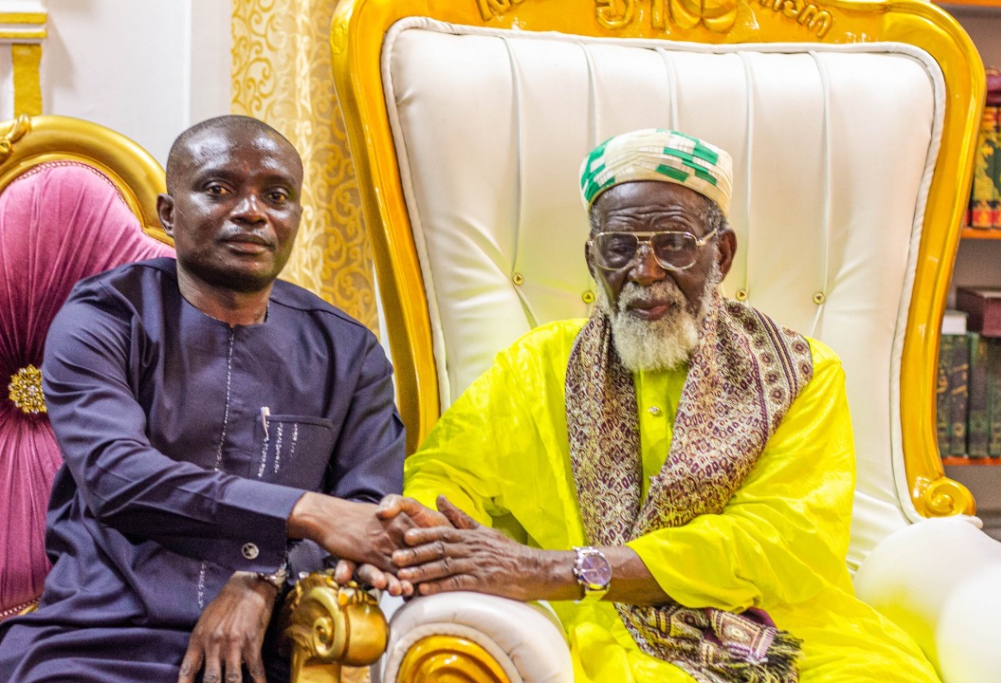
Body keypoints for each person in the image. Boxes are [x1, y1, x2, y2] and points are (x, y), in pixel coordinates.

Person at [382, 129, 942, 682]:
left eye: (673, 244)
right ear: (592, 258)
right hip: (601, 635)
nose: (645, 273)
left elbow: (781, 540)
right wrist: (439, 533)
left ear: (721, 253)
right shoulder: (537, 367)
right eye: (619, 248)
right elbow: (443, 476)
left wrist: (554, 569)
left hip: (794, 637)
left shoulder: (802, 372)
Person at [0, 115, 412, 683]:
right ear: (170, 215)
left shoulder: (349, 352)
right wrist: (306, 511)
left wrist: (265, 577)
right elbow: (120, 477)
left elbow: (367, 514)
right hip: (98, 637)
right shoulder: (103, 317)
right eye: (219, 190)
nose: (252, 211)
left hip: (270, 646)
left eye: (277, 195)